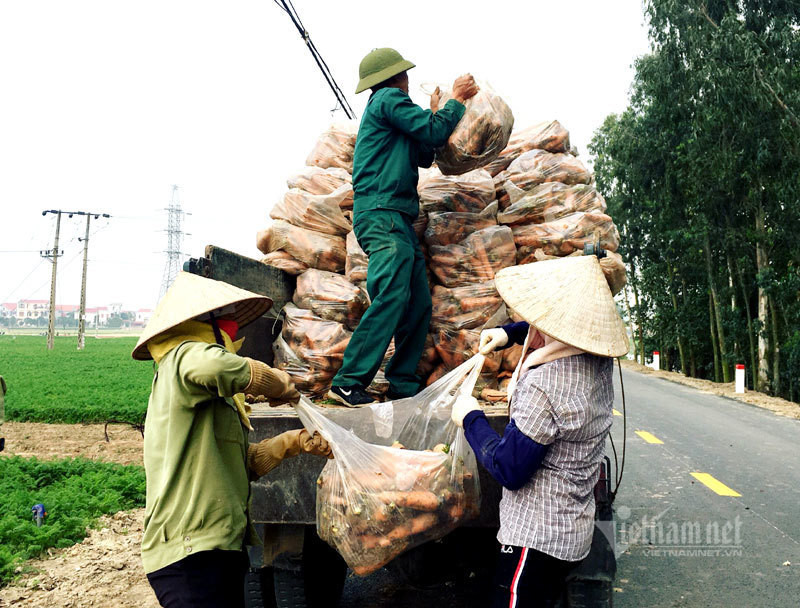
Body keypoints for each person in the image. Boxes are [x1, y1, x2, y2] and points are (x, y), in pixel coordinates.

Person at [132, 272, 333, 608]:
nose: (232, 331)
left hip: (219, 549)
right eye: (224, 322)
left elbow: (239, 467)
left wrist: (293, 441)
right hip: (189, 552)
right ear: (201, 323)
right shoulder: (181, 359)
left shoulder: (212, 399)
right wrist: (277, 383)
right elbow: (220, 367)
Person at [450, 255, 629, 607]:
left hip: (534, 540)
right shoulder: (598, 360)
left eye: (533, 322)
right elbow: (564, 330)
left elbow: (510, 468)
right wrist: (508, 334)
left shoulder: (546, 384)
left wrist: (471, 418)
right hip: (572, 533)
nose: (529, 326)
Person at [327, 47, 479, 407]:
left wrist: (437, 110)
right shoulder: (388, 99)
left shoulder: (392, 112)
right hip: (381, 214)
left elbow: (426, 151)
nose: (407, 81)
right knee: (392, 294)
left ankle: (401, 382)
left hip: (398, 219)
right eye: (405, 75)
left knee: (418, 304)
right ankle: (348, 382)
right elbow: (432, 130)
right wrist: (456, 101)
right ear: (397, 77)